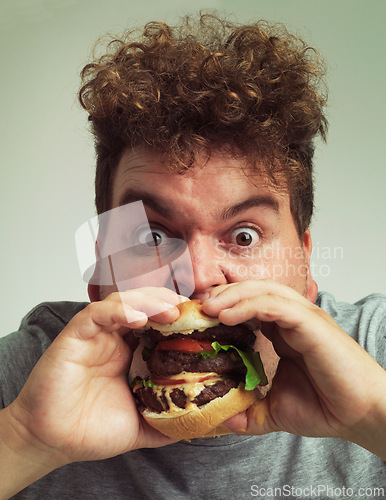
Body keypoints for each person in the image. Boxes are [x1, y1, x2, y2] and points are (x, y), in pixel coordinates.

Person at [0, 13, 385, 499]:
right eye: (153, 237)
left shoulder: (375, 349)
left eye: (244, 236)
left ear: (305, 269)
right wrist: (23, 440)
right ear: (101, 274)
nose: (198, 279)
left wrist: (374, 418)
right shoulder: (32, 373)